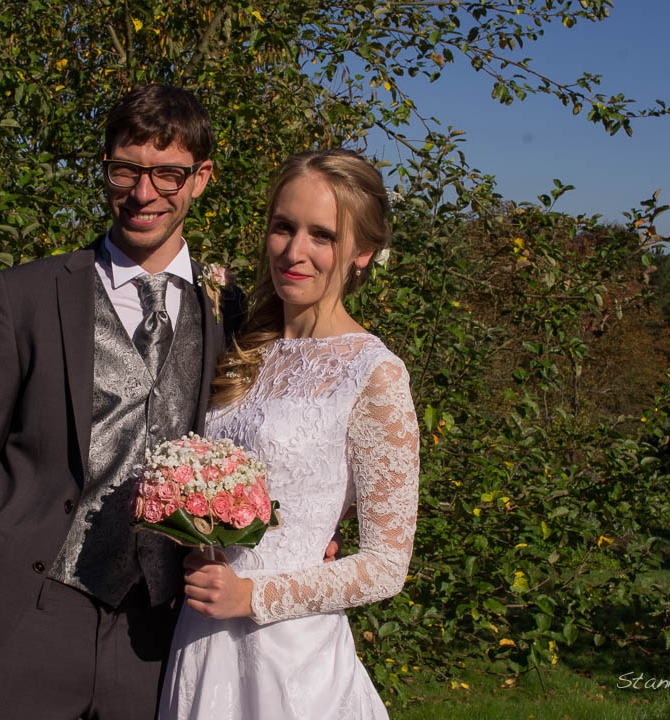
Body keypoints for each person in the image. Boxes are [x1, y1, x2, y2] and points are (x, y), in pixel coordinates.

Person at [0, 84, 228, 720]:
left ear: (200, 180)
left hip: (161, 626)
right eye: (125, 170)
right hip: (28, 607)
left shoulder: (230, 312)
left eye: (167, 175)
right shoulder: (25, 295)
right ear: (105, 169)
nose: (143, 195)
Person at [158, 150, 420, 720]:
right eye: (284, 227)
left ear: (363, 253)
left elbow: (385, 565)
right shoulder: (241, 343)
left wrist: (252, 596)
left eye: (322, 235)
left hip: (292, 662)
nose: (294, 251)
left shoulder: (373, 373)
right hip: (201, 636)